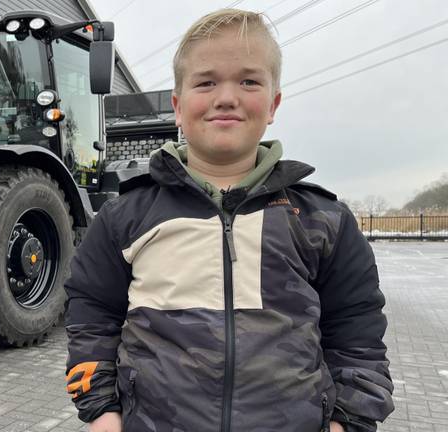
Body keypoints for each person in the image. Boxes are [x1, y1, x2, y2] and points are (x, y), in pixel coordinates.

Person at [64, 8, 394, 432]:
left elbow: (357, 332)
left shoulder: (323, 220)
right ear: (178, 109)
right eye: (206, 82)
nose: (226, 97)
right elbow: (90, 313)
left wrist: (348, 421)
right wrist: (102, 411)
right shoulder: (124, 216)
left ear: (273, 103)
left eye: (249, 81)